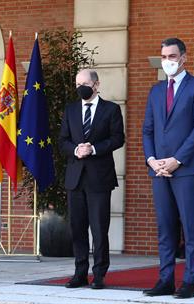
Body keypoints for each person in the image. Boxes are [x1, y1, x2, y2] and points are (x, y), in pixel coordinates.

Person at [142, 38, 194, 299]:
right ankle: (165, 280)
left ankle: (189, 282)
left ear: (183, 57)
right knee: (165, 226)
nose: (167, 61)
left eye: (172, 56)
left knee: (190, 226)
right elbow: (147, 129)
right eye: (163, 56)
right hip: (158, 169)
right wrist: (152, 160)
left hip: (186, 168)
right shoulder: (156, 90)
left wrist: (176, 159)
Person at [58, 69, 125, 289]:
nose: (81, 88)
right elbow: (63, 141)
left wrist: (94, 148)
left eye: (84, 83)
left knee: (98, 229)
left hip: (99, 178)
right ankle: (79, 273)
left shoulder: (111, 109)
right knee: (77, 228)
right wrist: (76, 149)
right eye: (77, 84)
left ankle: (99, 275)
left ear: (96, 85)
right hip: (75, 178)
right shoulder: (70, 110)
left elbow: (118, 138)